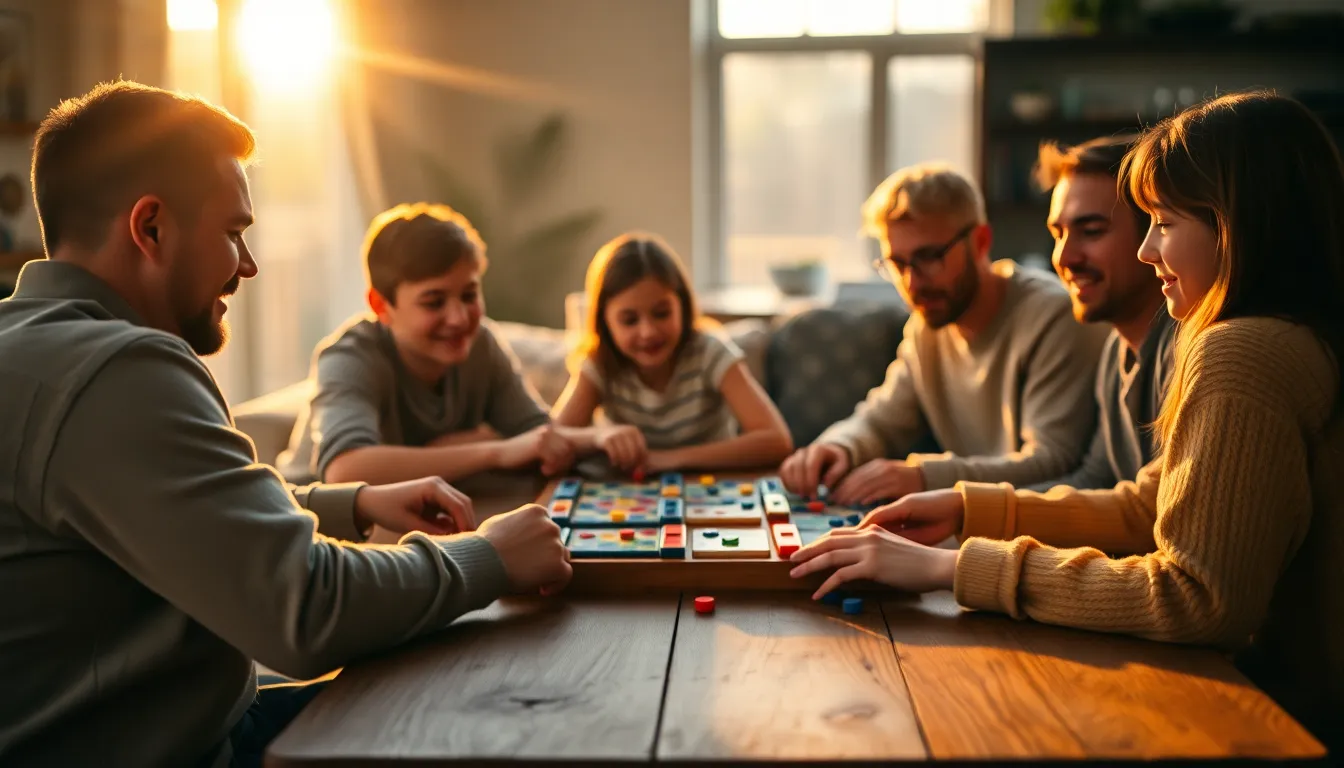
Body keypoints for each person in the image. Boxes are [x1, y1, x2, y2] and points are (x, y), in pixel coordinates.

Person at [0, 81, 571, 767]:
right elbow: (307, 610)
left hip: (194, 721)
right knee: (502, 707)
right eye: (233, 232)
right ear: (150, 228)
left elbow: (168, 516)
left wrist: (349, 504)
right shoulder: (117, 369)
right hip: (191, 750)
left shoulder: (33, 347)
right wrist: (491, 556)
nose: (248, 264)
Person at [789, 90, 1344, 748]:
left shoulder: (1241, 349)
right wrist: (967, 508)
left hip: (1287, 717)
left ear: (1234, 222)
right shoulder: (1280, 333)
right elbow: (1149, 505)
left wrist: (949, 567)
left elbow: (1197, 599)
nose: (1147, 250)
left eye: (1162, 222)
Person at [779, 163, 1108, 505]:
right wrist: (837, 447)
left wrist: (922, 477)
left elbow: (1053, 462)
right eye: (898, 264)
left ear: (981, 241)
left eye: (929, 257)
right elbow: (881, 421)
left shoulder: (1055, 317)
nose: (912, 283)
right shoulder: (926, 327)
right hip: (971, 520)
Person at [279, 203, 575, 487]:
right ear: (381, 305)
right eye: (434, 302)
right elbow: (345, 470)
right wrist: (493, 451)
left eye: (469, 296)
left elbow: (540, 436)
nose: (459, 319)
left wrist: (602, 434)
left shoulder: (481, 344)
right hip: (313, 523)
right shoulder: (349, 358)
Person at [551, 232, 792, 473]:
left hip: (711, 493)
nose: (647, 332)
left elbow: (776, 440)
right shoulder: (600, 363)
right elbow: (550, 441)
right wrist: (598, 436)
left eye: (661, 313)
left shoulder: (710, 353)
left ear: (683, 307)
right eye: (629, 320)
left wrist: (667, 459)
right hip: (628, 499)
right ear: (605, 322)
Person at [1026, 135, 1174, 491]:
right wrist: (961, 512)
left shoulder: (1189, 351)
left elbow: (1152, 515)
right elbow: (1095, 482)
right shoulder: (1116, 350)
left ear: (1153, 236)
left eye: (1091, 231)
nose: (1063, 259)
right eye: (1058, 234)